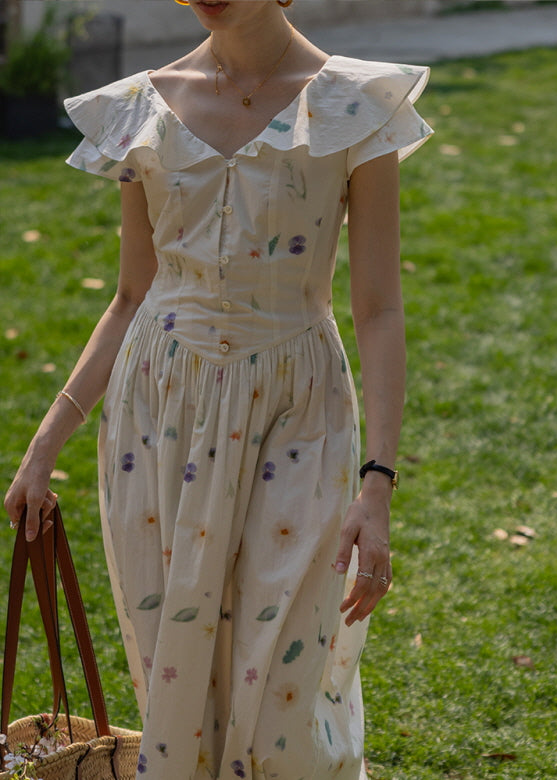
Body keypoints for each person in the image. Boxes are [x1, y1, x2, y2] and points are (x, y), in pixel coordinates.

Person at [4, 1, 432, 777]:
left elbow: (379, 306)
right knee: (179, 692)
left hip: (298, 409)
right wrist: (43, 448)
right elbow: (133, 294)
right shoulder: (141, 106)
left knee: (280, 698)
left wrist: (379, 483)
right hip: (159, 417)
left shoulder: (354, 107)